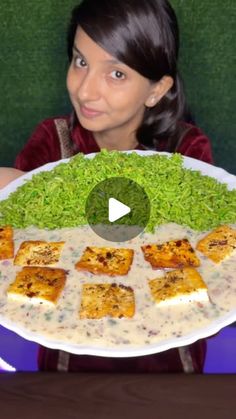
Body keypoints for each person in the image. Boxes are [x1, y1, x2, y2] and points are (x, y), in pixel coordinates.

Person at [0, 0, 213, 372]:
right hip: (67, 359)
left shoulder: (186, 149)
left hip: (167, 361)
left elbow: (197, 254)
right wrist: (20, 189)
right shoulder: (53, 140)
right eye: (81, 62)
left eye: (116, 74)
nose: (85, 92)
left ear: (156, 89)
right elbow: (19, 246)